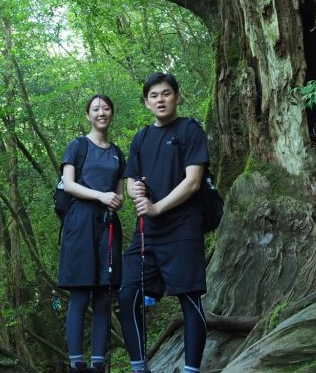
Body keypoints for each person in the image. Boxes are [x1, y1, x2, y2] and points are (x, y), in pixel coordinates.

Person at [118, 73, 209, 373]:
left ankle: (191, 369)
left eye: (166, 93)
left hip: (183, 228)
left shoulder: (190, 129)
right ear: (146, 102)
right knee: (128, 294)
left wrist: (157, 207)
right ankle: (138, 367)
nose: (160, 99)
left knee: (189, 298)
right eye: (154, 95)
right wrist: (136, 191)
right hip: (147, 233)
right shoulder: (141, 137)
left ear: (177, 97)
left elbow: (193, 181)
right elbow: (131, 180)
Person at [58, 94, 126, 372]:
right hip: (80, 221)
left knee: (102, 294)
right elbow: (69, 184)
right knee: (80, 293)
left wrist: (115, 199)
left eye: (106, 108)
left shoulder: (117, 152)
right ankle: (77, 363)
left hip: (107, 224)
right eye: (96, 109)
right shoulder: (77, 146)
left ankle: (98, 363)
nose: (101, 113)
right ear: (88, 115)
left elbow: (120, 192)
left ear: (111, 114)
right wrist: (100, 196)